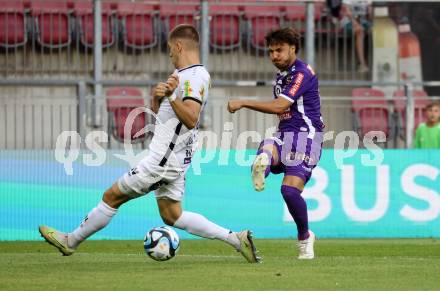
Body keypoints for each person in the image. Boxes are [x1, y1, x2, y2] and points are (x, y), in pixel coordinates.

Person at [39, 24, 260, 263]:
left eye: (170, 49)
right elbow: (165, 117)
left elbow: (191, 118)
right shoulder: (183, 76)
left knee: (111, 196)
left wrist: (171, 96)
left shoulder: (193, 77)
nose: (169, 54)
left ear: (178, 46)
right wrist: (156, 99)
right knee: (172, 215)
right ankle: (236, 239)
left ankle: (70, 241)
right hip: (175, 158)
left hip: (162, 161)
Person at [227, 28, 324, 260]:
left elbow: (280, 106)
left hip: (307, 138)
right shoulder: (283, 75)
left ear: (293, 48)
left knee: (289, 191)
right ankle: (263, 165)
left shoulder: (301, 73)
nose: (274, 55)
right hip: (285, 134)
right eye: (270, 51)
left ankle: (305, 237)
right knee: (268, 145)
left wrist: (243, 102)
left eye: (279, 50)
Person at [339, 0, 372, 73]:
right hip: (348, 21)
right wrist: (355, 24)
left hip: (363, 21)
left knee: (375, 31)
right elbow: (346, 11)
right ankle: (362, 64)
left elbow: (370, 12)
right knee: (360, 31)